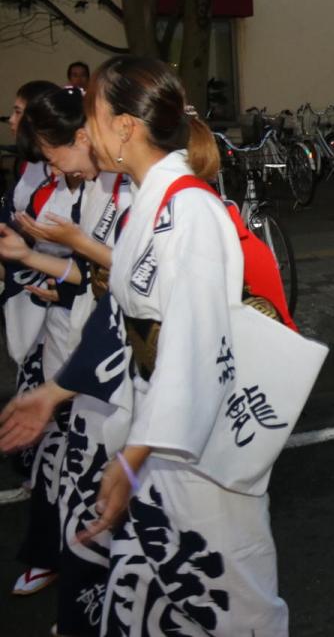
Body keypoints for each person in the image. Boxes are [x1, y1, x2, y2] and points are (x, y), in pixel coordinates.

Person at [75, 56, 295, 633]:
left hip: (199, 446)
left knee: (231, 600)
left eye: (91, 112)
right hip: (156, 434)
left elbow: (194, 346)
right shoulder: (148, 203)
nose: (85, 129)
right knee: (148, 599)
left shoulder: (189, 209)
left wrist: (134, 455)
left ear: (126, 125)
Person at [0, 85, 134, 636]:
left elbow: (131, 284)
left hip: (113, 378)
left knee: (104, 508)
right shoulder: (89, 188)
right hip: (87, 371)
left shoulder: (155, 199)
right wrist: (31, 255)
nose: (51, 161)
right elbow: (100, 279)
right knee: (84, 502)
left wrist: (70, 247)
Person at [2, 81, 69, 597]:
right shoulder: (31, 170)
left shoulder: (116, 185)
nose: (13, 121)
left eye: (22, 113)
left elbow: (112, 272)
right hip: (45, 322)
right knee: (43, 448)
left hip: (81, 341)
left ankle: (57, 553)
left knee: (59, 450)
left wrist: (48, 258)